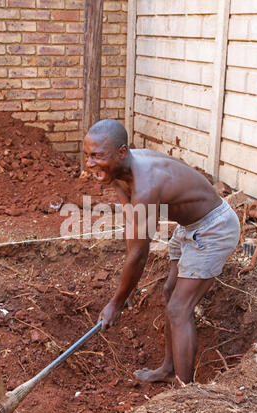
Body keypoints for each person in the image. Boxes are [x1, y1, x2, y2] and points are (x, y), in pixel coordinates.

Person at [84, 118, 241, 384]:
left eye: (98, 156)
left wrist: (116, 302)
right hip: (189, 225)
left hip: (213, 227)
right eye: (87, 155)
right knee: (170, 292)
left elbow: (140, 254)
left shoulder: (146, 185)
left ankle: (185, 393)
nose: (90, 164)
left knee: (179, 308)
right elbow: (133, 231)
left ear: (122, 152)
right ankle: (169, 370)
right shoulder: (120, 173)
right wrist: (129, 286)